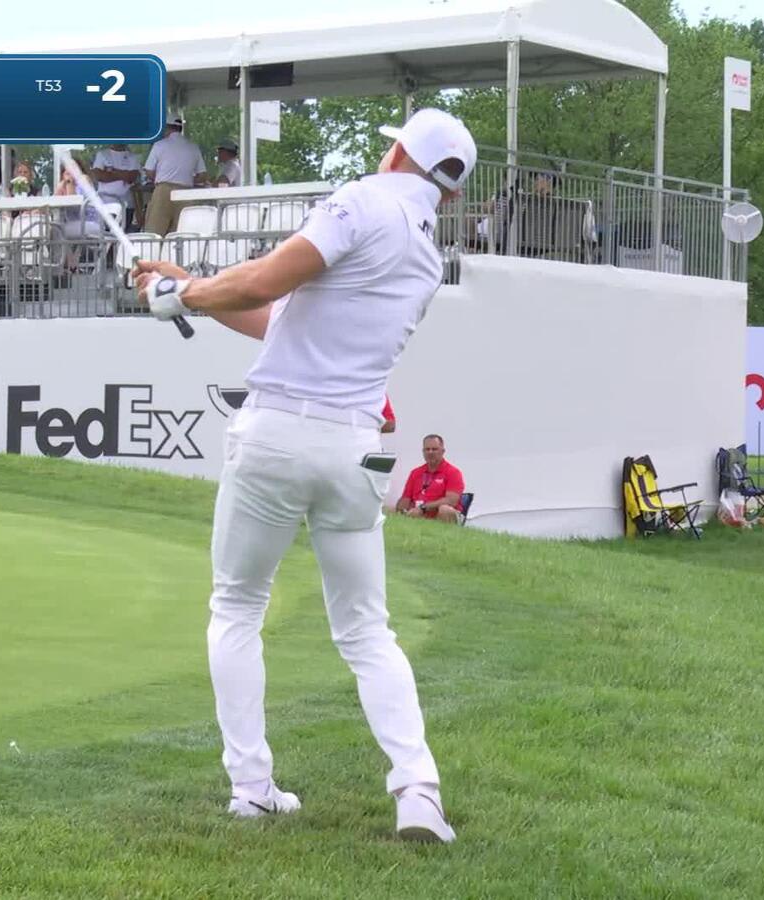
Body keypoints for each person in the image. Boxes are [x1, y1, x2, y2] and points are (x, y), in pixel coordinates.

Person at [129, 107, 477, 843]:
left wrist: (181, 297)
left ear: (396, 153)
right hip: (354, 447)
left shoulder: (359, 199)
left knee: (237, 607)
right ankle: (418, 790)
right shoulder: (425, 251)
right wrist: (191, 284)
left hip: (277, 432)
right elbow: (279, 312)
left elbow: (263, 279)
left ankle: (250, 788)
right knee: (366, 630)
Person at [142, 116, 207, 235]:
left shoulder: (159, 145)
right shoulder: (193, 147)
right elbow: (202, 175)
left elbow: (149, 171)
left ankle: (153, 254)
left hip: (164, 190)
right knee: (182, 232)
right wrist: (186, 178)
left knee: (155, 231)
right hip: (186, 193)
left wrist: (160, 177)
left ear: (167, 128)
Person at [395, 434, 467, 523]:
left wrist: (423, 507)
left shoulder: (453, 472)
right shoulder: (415, 472)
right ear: (423, 451)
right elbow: (406, 498)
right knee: (386, 510)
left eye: (434, 449)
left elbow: (451, 501)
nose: (430, 452)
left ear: (443, 451)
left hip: (442, 516)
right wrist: (402, 511)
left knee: (445, 510)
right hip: (420, 514)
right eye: (427, 449)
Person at [91, 143, 143, 230]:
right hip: (106, 204)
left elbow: (131, 177)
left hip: (126, 205)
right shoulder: (102, 154)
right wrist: (123, 174)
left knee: (123, 234)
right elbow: (99, 176)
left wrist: (111, 171)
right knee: (106, 234)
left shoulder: (132, 157)